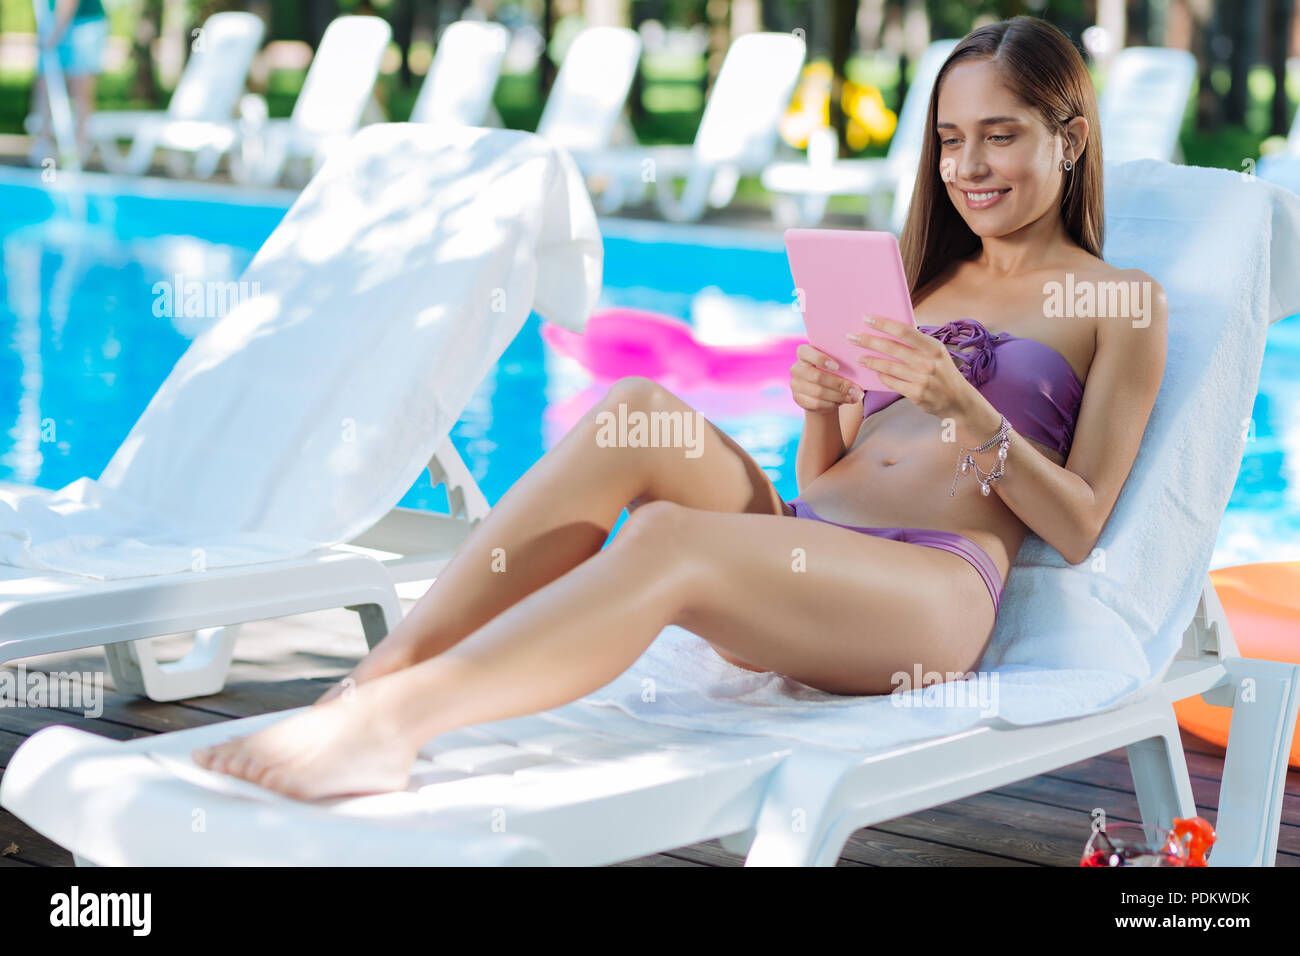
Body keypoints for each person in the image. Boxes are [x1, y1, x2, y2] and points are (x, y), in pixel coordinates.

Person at [194, 15, 1167, 800]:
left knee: (664, 533)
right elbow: (821, 485)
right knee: (634, 410)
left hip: (927, 594)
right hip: (811, 546)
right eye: (951, 140)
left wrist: (963, 406)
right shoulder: (919, 277)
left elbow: (1079, 525)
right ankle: (366, 684)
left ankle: (393, 729)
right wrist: (822, 407)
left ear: (1069, 136)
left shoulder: (1119, 301)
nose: (969, 166)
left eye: (1001, 136)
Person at [28, 0, 107, 165]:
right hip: (54, 19)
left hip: (85, 23)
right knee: (45, 83)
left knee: (80, 87)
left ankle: (78, 147)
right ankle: (43, 143)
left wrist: (54, 34)